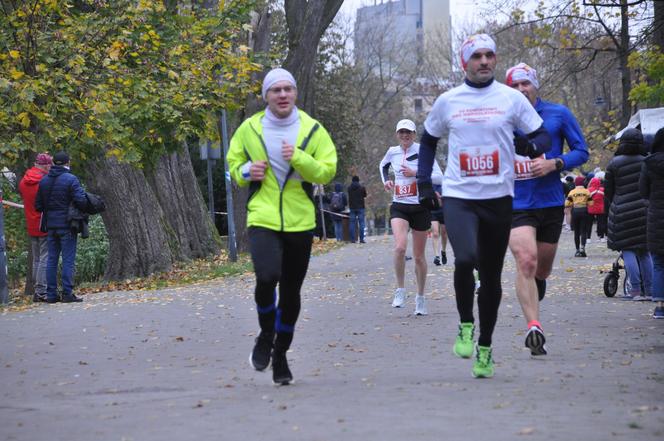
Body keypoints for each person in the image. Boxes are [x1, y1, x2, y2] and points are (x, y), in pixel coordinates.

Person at [416, 34, 551, 378]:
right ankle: (465, 324)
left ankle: (486, 346)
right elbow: (428, 141)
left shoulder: (510, 99)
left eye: (490, 55)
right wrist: (424, 183)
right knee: (465, 259)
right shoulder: (449, 101)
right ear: (465, 62)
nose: (485, 61)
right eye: (477, 56)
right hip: (461, 196)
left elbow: (543, 137)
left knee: (490, 278)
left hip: (498, 198)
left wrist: (527, 145)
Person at [227, 67, 337, 385]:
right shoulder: (249, 129)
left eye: (288, 89)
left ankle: (280, 354)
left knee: (290, 293)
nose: (283, 95)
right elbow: (232, 167)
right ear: (266, 96)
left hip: (300, 220)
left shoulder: (312, 130)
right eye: (276, 90)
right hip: (262, 216)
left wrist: (300, 158)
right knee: (267, 277)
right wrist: (248, 171)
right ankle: (265, 334)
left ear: (296, 93)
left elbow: (327, 170)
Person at [504, 62, 589, 356]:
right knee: (525, 260)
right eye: (514, 86)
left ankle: (537, 287)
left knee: (541, 268)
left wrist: (556, 163)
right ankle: (534, 327)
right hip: (515, 203)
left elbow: (582, 150)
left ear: (534, 85)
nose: (520, 90)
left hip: (551, 201)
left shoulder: (558, 114)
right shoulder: (502, 118)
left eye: (525, 84)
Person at [380, 118, 443, 316]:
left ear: (414, 134)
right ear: (397, 134)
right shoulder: (393, 151)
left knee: (418, 257)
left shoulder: (423, 151)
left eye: (408, 132)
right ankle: (400, 290)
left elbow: (439, 176)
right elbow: (382, 166)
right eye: (401, 132)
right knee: (399, 247)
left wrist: (416, 173)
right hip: (400, 205)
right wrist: (387, 182)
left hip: (420, 207)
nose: (405, 136)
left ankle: (421, 297)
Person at [605, 128, 652, 300]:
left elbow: (608, 192)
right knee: (645, 251)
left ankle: (635, 290)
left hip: (621, 210)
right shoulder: (647, 161)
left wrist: (610, 208)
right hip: (645, 210)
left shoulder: (614, 163)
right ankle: (650, 289)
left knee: (628, 251)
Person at [35, 151, 88, 303]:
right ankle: (67, 293)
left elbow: (38, 206)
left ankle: (51, 294)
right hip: (67, 224)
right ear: (67, 162)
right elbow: (81, 200)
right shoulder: (71, 179)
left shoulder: (44, 181)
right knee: (68, 259)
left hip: (51, 226)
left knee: (52, 259)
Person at [18, 153, 53, 302]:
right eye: (50, 165)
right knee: (45, 258)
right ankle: (41, 290)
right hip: (43, 223)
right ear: (45, 165)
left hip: (31, 223)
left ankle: (36, 289)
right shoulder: (44, 181)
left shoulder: (23, 182)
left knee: (37, 258)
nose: (51, 167)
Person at [640, 127, 664, 318]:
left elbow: (643, 191)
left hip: (656, 216)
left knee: (659, 263)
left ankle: (660, 306)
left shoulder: (649, 163)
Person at [566, 176, 592, 257]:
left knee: (576, 232)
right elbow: (591, 203)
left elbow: (567, 204)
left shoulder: (572, 192)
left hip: (575, 211)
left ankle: (577, 250)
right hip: (584, 211)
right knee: (583, 231)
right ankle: (582, 249)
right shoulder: (587, 192)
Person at [430, 183, 448, 266]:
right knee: (435, 233)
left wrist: (441, 197)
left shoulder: (444, 183)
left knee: (444, 234)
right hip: (433, 211)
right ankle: (436, 256)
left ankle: (443, 251)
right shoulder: (428, 183)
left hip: (443, 211)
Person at [347, 176, 367, 243]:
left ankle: (352, 239)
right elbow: (365, 195)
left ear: (352, 181)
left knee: (352, 223)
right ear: (358, 180)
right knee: (361, 223)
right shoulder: (362, 188)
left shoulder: (349, 188)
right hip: (361, 207)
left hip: (352, 208)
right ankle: (361, 239)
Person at [588, 177, 606, 242]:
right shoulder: (602, 189)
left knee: (589, 224)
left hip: (591, 208)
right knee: (601, 223)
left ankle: (588, 238)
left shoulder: (589, 190)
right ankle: (601, 237)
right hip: (600, 209)